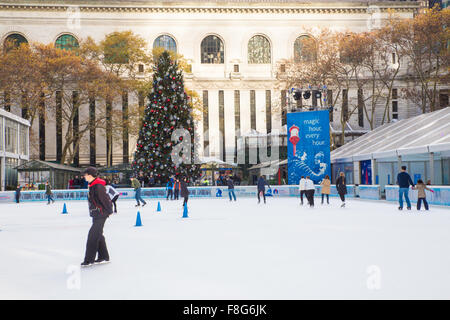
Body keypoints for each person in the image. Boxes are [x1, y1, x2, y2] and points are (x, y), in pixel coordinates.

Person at [81, 167, 113, 267]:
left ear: (90, 175)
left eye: (85, 175)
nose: (84, 176)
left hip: (101, 214)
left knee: (92, 236)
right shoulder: (92, 185)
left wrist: (109, 211)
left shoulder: (98, 186)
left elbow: (105, 200)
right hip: (96, 213)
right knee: (98, 235)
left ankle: (89, 260)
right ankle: (104, 256)